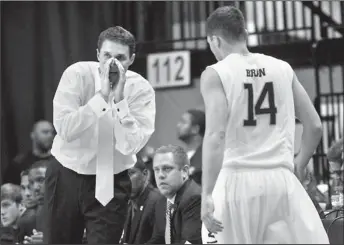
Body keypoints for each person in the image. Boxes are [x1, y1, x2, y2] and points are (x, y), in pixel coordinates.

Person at [200, 6, 329, 244]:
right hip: (281, 181)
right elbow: (314, 126)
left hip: (237, 182)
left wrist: (207, 193)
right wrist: (299, 165)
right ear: (245, 33)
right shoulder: (282, 68)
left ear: (215, 40)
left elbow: (216, 135)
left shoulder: (215, 74)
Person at [44, 26, 155, 244]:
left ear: (131, 59)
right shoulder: (76, 75)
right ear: (97, 55)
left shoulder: (142, 89)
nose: (112, 64)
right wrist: (101, 98)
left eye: (120, 58)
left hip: (112, 181)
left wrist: (121, 101)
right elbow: (65, 129)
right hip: (67, 174)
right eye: (107, 56)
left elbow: (130, 146)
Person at [148, 145, 202, 244]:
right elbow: (158, 239)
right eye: (156, 170)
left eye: (167, 168)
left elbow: (189, 242)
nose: (160, 175)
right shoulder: (162, 201)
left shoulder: (194, 198)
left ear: (184, 172)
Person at [121, 156, 164, 244]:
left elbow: (160, 240)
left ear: (145, 174)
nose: (125, 180)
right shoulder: (128, 203)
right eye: (122, 176)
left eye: (130, 173)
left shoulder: (158, 201)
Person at [4, 120, 54, 185]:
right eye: (45, 132)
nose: (50, 135)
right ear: (33, 135)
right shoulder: (19, 163)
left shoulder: (61, 161)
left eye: (52, 132)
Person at [177, 109, 205, 185]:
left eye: (183, 122)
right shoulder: (178, 158)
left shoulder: (205, 160)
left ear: (195, 129)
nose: (178, 125)